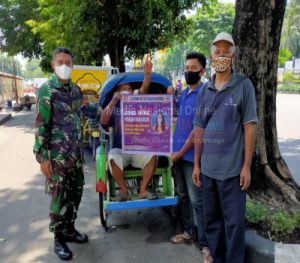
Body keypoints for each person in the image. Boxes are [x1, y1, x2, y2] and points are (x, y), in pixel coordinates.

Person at [193, 32, 258, 263]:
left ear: (234, 55)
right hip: (208, 171)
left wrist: (247, 166)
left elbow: (249, 127)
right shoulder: (204, 91)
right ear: (211, 57)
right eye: (217, 51)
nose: (222, 55)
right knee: (213, 224)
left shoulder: (244, 86)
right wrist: (197, 164)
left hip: (233, 173)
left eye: (226, 51)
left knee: (234, 225)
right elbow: (199, 129)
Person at [33, 47, 95, 261]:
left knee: (75, 195)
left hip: (75, 155)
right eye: (60, 62)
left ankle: (70, 229)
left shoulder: (76, 90)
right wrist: (42, 158)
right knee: (59, 198)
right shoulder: (47, 91)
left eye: (68, 62)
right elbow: (41, 126)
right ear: (53, 64)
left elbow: (83, 113)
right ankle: (58, 238)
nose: (64, 66)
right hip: (57, 158)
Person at [170, 52, 212, 263]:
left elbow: (197, 130)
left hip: (191, 157)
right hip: (177, 156)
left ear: (202, 71)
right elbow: (179, 121)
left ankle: (205, 244)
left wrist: (179, 153)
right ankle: (188, 232)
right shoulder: (184, 93)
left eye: (192, 68)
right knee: (183, 196)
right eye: (186, 67)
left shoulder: (205, 93)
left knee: (197, 200)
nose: (188, 71)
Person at [100, 55, 158, 201]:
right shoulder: (115, 107)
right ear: (118, 92)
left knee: (153, 154)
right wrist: (113, 101)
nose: (126, 90)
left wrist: (147, 75)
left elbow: (144, 89)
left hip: (139, 148)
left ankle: (143, 190)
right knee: (112, 155)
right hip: (121, 150)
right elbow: (103, 120)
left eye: (129, 89)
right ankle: (124, 191)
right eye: (123, 89)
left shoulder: (139, 103)